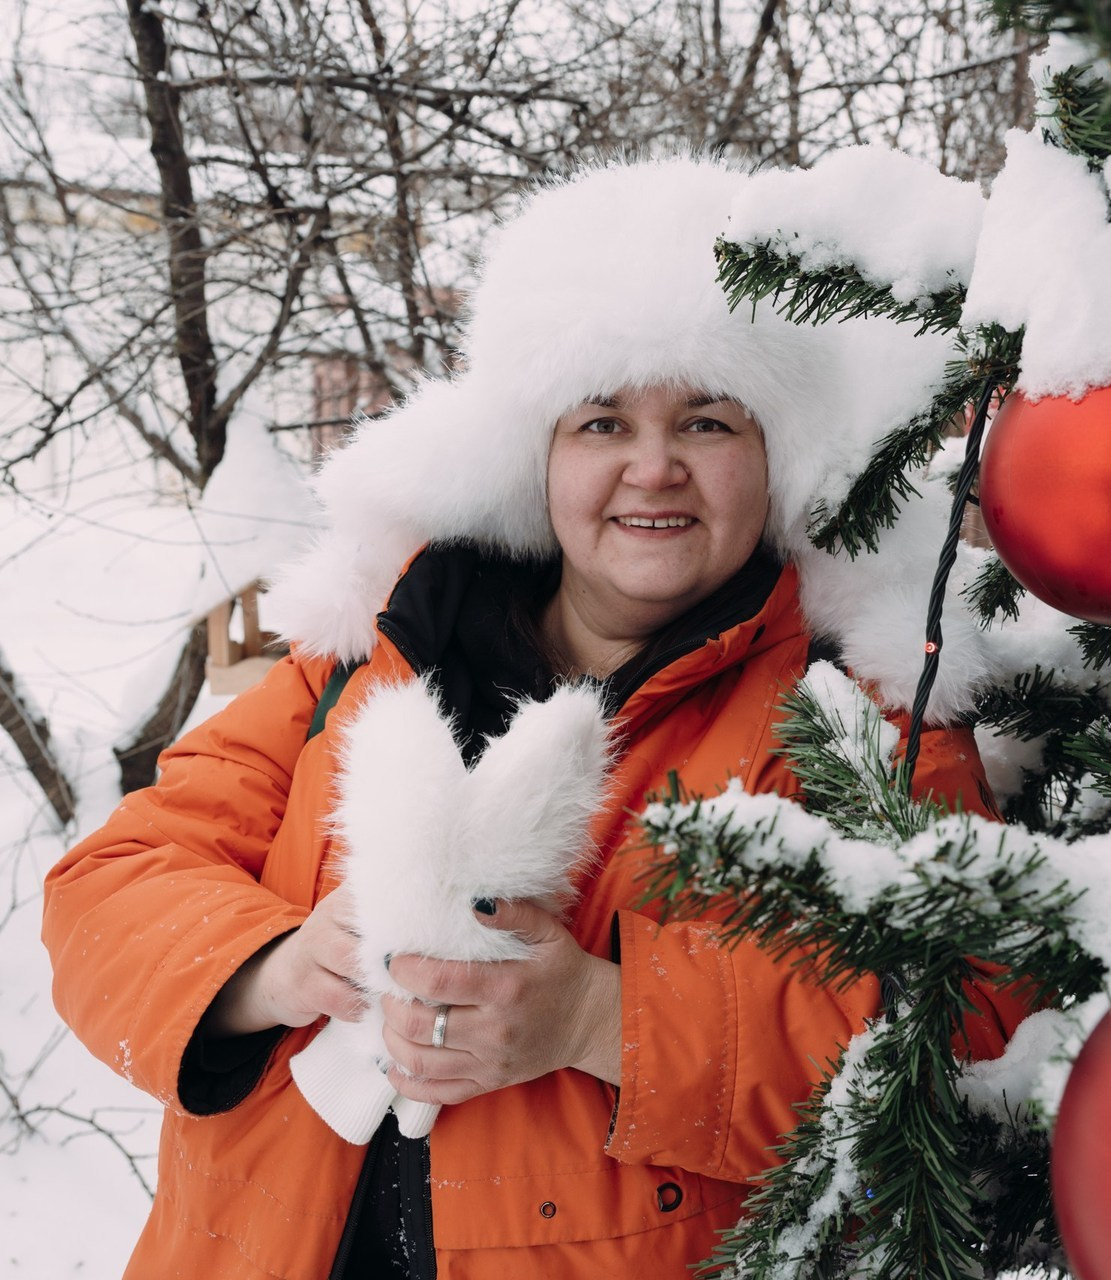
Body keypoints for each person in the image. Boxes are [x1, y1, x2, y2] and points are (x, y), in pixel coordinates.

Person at [43, 155, 1024, 1280]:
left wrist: (605, 1018)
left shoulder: (862, 706)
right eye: (601, 420)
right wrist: (275, 961)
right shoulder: (368, 650)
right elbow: (113, 880)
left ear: (775, 452)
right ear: (537, 450)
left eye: (706, 421)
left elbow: (970, 1033)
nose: (651, 469)